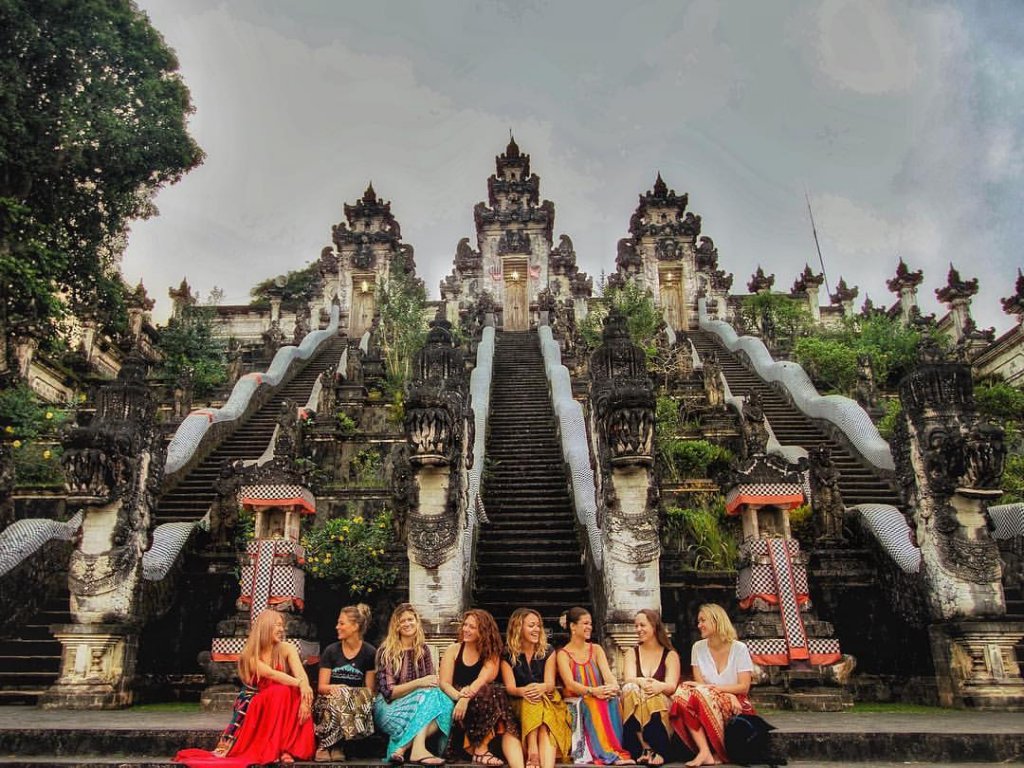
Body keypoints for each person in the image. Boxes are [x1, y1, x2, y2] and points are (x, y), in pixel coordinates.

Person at [174, 609, 314, 767]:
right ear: (266, 627)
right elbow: (272, 675)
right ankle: (275, 749)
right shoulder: (251, 654)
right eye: (277, 625)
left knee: (291, 692)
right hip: (260, 698)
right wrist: (300, 684)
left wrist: (305, 698)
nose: (282, 629)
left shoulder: (287, 648)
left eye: (282, 626)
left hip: (285, 695)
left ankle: (287, 749)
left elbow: (301, 675)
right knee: (281, 690)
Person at [669, 604, 755, 767]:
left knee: (699, 693)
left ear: (717, 621)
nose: (698, 625)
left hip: (736, 701)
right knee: (682, 693)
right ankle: (705, 751)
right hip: (706, 698)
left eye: (703, 620)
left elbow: (744, 687)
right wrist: (718, 692)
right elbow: (700, 686)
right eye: (698, 621)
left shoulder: (739, 649)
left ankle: (721, 751)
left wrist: (727, 694)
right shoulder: (698, 647)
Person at [372, 603, 453, 766]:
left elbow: (431, 684)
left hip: (418, 706)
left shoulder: (423, 650)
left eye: (410, 619)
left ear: (417, 622)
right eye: (402, 621)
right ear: (396, 625)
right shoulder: (386, 651)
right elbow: (389, 692)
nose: (407, 624)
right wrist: (418, 683)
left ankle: (404, 748)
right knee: (430, 694)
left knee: (447, 703)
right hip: (388, 710)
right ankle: (416, 749)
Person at [440, 609, 522, 768]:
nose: (466, 629)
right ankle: (479, 750)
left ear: (483, 632)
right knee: (492, 693)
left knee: (491, 691)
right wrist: (459, 697)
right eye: (465, 625)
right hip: (458, 707)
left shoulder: (491, 653)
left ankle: (488, 750)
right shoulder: (453, 650)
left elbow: (484, 678)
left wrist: (466, 697)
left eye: (472, 627)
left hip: (482, 704)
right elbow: (444, 683)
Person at [555, 607, 634, 765]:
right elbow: (570, 683)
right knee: (592, 702)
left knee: (613, 699)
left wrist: (612, 687)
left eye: (590, 623)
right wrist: (592, 691)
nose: (589, 627)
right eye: (585, 623)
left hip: (598, 694)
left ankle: (616, 749)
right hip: (576, 700)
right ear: (572, 626)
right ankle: (606, 754)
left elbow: (608, 675)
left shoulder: (596, 649)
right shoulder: (563, 654)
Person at [500, 608, 572, 768]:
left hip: (548, 701)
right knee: (531, 699)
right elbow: (510, 688)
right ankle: (533, 751)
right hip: (518, 702)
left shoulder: (548, 651)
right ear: (518, 627)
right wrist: (523, 691)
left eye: (538, 626)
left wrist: (541, 687)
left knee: (536, 700)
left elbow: (550, 684)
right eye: (531, 625)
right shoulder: (507, 654)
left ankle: (533, 753)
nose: (537, 630)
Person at [313, 603, 377, 762]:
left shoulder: (369, 652)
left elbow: (369, 691)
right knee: (335, 699)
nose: (337, 627)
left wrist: (347, 693)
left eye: (341, 623)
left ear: (355, 626)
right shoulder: (331, 651)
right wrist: (334, 688)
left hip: (355, 706)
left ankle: (330, 745)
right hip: (327, 701)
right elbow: (321, 687)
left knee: (346, 695)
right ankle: (333, 746)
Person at [620, 609, 680, 766]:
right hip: (638, 701)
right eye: (636, 626)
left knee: (653, 697)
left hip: (661, 705)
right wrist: (642, 681)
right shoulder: (631, 653)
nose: (638, 630)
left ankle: (660, 750)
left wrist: (659, 686)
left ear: (654, 626)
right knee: (630, 689)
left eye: (642, 625)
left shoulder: (670, 654)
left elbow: (672, 686)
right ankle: (645, 749)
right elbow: (629, 679)